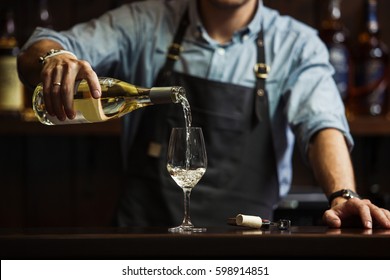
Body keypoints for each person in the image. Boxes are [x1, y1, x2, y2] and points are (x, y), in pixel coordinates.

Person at [17, 0, 390, 229]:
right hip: (142, 247)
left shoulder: (297, 44)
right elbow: (39, 46)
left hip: (249, 255)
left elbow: (323, 123)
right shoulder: (145, 22)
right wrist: (54, 58)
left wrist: (342, 195)